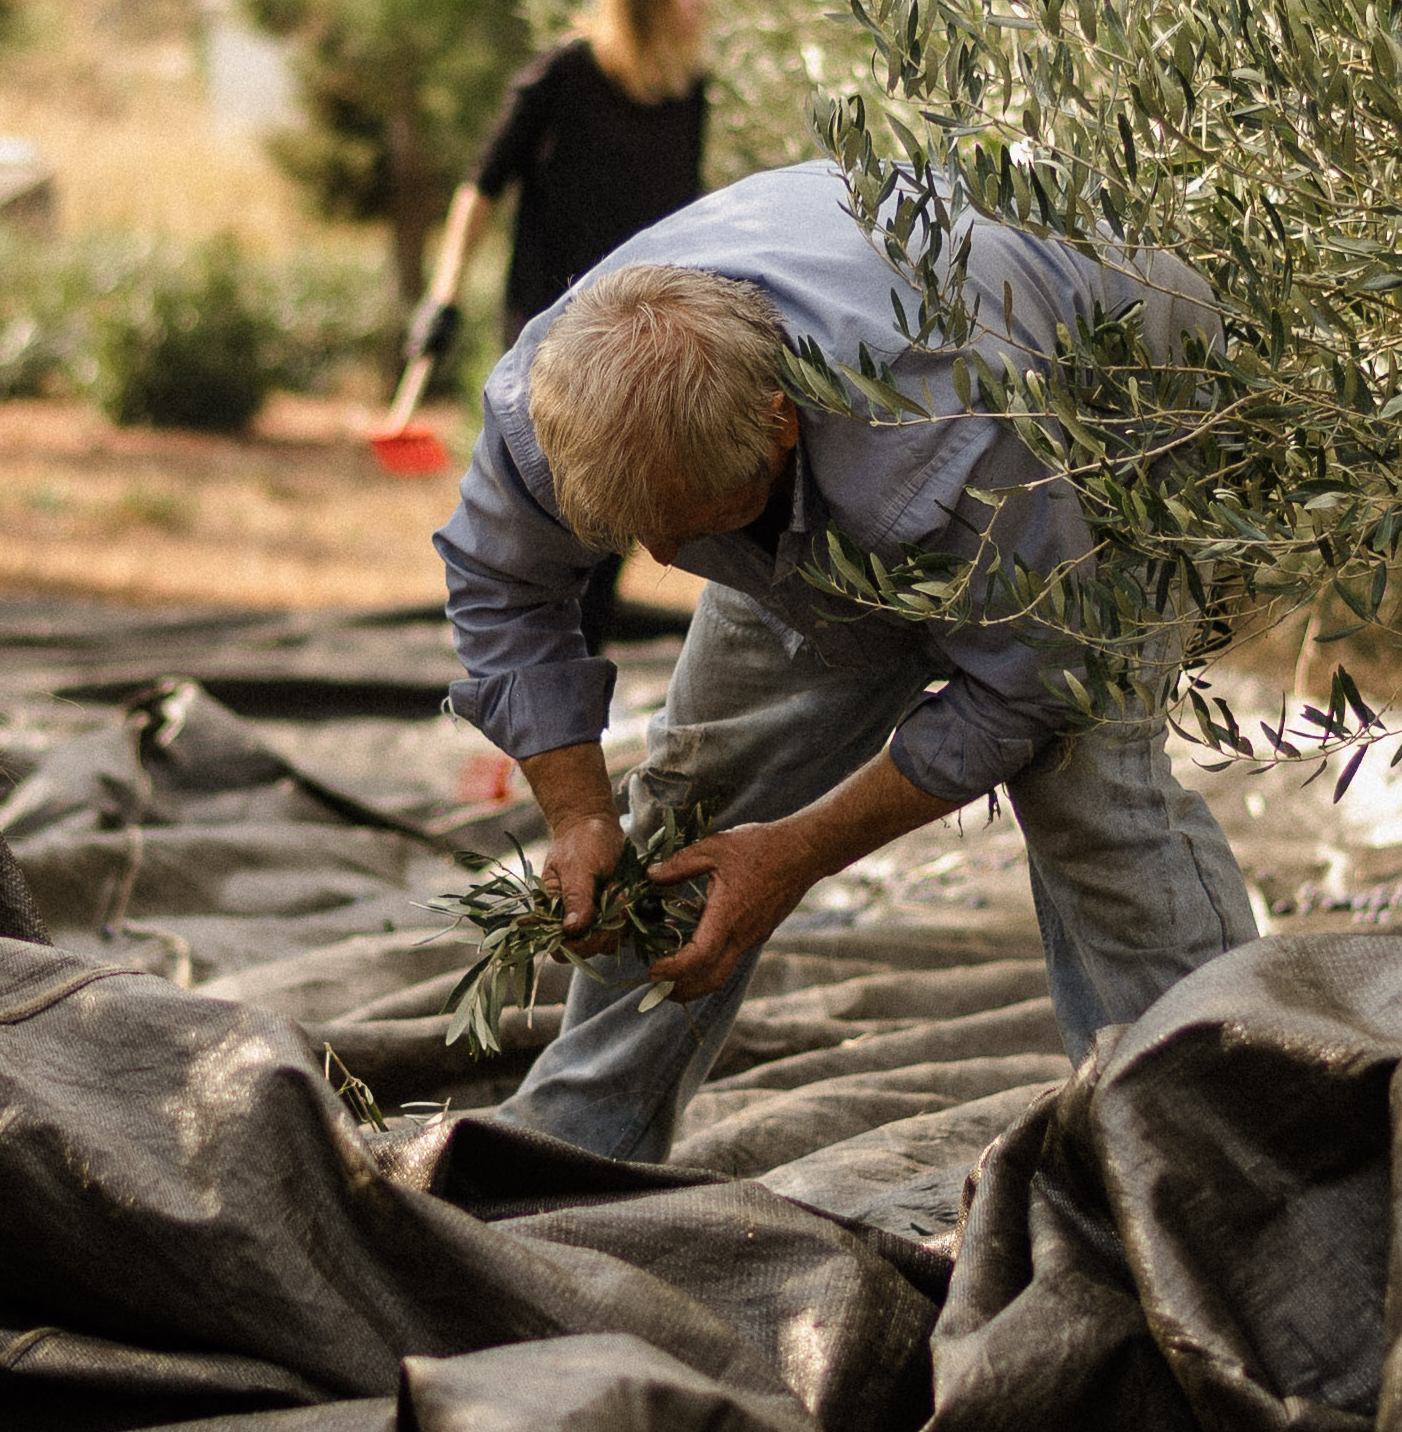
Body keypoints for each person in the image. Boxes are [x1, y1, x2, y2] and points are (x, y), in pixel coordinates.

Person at [436, 159, 1257, 1163]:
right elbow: (501, 583)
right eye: (639, 534)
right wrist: (576, 812)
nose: (660, 560)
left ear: (779, 427)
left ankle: (1206, 1160)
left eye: (688, 529)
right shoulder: (549, 398)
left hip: (1102, 424)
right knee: (697, 809)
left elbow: (1025, 687)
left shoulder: (943, 432)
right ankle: (575, 1141)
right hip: (851, 453)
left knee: (1092, 799)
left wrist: (802, 852)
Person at [408, 0, 716, 646]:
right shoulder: (564, 77)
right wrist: (442, 297)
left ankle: (573, 711)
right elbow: (480, 187)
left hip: (639, 336)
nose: (702, 0)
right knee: (553, 532)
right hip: (552, 335)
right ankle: (521, 699)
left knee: (614, 537)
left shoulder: (687, 94)